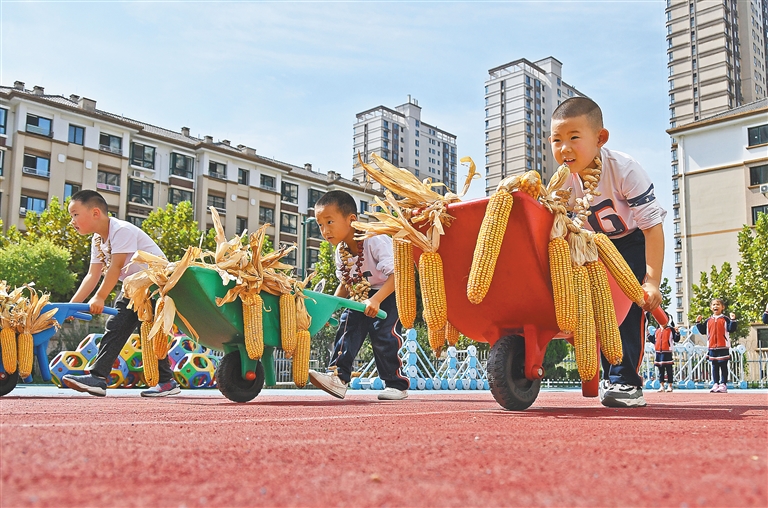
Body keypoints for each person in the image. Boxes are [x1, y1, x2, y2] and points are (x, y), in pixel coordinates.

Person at [549, 97, 665, 408]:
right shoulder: (562, 182)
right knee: (598, 308)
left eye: (574, 137)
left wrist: (651, 281)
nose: (564, 148)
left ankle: (626, 381)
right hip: (593, 245)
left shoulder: (625, 170)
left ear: (600, 138)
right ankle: (607, 374)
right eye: (556, 140)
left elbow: (653, 228)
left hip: (631, 240)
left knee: (627, 308)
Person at [61, 190, 179, 397]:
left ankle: (165, 381)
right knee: (116, 327)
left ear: (95, 212)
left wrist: (100, 297)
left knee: (151, 332)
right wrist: (73, 305)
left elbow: (115, 268)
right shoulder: (98, 240)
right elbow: (92, 274)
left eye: (75, 214)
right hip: (134, 287)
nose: (72, 221)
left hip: (155, 283)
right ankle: (98, 378)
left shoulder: (121, 230)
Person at [307, 190, 409, 401]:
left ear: (351, 219)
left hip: (387, 291)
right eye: (320, 225)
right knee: (347, 325)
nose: (325, 230)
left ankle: (395, 384)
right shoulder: (340, 251)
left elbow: (397, 275)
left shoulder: (375, 239)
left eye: (329, 221)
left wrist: (377, 299)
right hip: (362, 294)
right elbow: (346, 283)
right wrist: (330, 308)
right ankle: (338, 377)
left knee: (383, 334)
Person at [694, 298, 737, 393]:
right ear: (710, 307)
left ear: (723, 307)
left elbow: (731, 329)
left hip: (723, 346)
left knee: (723, 366)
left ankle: (723, 384)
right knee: (714, 366)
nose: (715, 306)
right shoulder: (709, 320)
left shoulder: (725, 319)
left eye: (718, 304)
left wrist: (733, 320)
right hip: (712, 347)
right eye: (713, 305)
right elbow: (702, 331)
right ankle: (715, 383)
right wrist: (698, 323)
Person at [653, 314, 678, 393]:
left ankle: (670, 385)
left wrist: (677, 333)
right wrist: (647, 334)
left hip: (667, 352)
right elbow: (654, 340)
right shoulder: (657, 330)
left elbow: (676, 339)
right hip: (658, 353)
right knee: (661, 371)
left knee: (669, 370)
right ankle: (662, 386)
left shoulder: (671, 329)